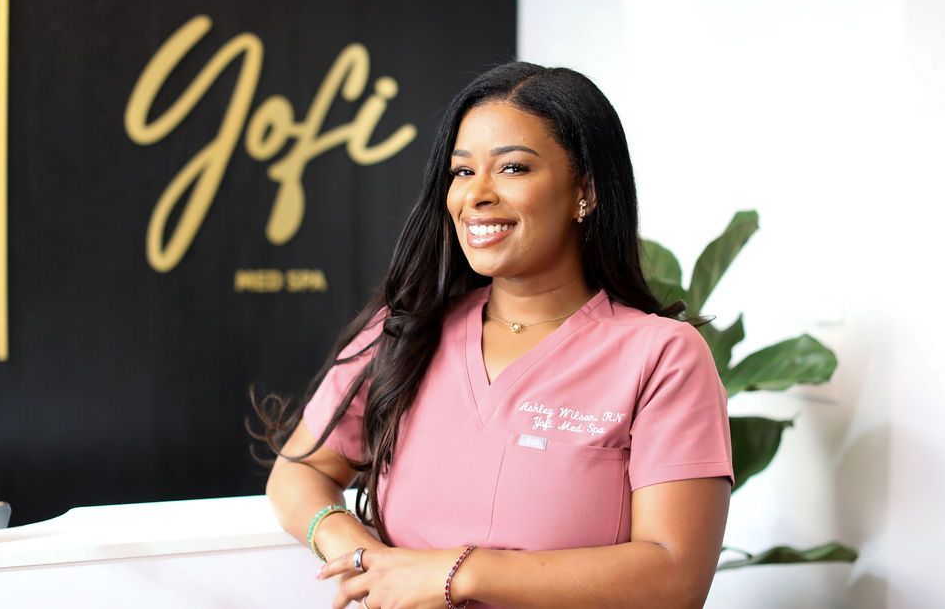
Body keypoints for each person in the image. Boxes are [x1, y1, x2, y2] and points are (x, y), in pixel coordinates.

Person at [254, 61, 734, 609]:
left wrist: (457, 574)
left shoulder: (662, 357)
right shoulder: (406, 329)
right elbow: (298, 472)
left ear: (587, 190)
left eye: (512, 169)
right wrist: (365, 557)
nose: (475, 195)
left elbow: (675, 578)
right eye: (462, 172)